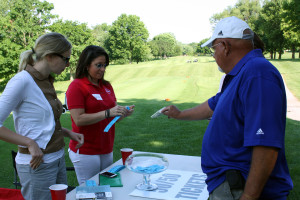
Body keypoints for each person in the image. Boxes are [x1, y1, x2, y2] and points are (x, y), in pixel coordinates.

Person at [162, 16, 293, 200]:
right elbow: (213, 106)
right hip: (231, 185)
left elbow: (265, 144)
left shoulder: (257, 73)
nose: (214, 55)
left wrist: (248, 196)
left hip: (241, 188)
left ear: (225, 46)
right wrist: (180, 114)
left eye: (214, 48)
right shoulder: (241, 74)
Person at [0, 32, 84, 200]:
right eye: (66, 59)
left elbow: (42, 122)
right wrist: (29, 143)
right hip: (37, 166)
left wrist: (67, 132)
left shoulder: (46, 80)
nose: (68, 65)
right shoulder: (22, 81)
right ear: (50, 56)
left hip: (57, 158)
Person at [66, 45, 134, 184]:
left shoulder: (107, 86)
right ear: (86, 65)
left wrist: (123, 113)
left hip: (106, 147)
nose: (103, 69)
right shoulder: (77, 86)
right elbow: (78, 119)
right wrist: (108, 112)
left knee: (106, 186)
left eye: (104, 65)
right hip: (85, 149)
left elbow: (110, 119)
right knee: (90, 191)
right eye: (98, 65)